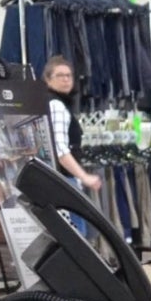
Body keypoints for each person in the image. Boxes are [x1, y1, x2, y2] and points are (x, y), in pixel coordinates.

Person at [40, 54, 103, 202]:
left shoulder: (50, 102)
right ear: (48, 79)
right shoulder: (56, 105)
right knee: (73, 225)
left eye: (69, 75)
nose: (66, 79)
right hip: (63, 181)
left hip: (57, 180)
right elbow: (60, 149)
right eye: (60, 75)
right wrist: (84, 177)